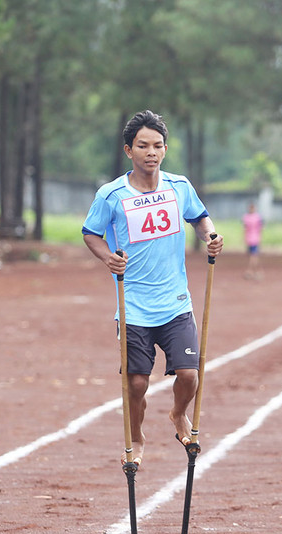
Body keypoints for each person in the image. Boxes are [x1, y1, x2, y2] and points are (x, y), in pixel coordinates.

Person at [82, 110, 223, 466]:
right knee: (136, 384)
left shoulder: (179, 187)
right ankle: (136, 436)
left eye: (158, 145)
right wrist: (107, 258)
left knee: (190, 375)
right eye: (143, 146)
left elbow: (199, 216)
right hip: (135, 307)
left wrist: (210, 236)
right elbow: (90, 232)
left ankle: (178, 414)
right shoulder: (111, 194)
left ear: (165, 149)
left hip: (175, 302)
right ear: (128, 150)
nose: (151, 152)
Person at [242, 202, 263, 279]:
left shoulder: (257, 217)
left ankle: (250, 271)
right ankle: (257, 271)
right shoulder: (247, 217)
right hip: (250, 239)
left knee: (253, 255)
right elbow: (245, 229)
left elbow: (260, 228)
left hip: (255, 239)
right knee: (253, 256)